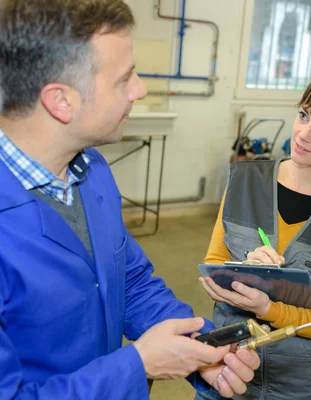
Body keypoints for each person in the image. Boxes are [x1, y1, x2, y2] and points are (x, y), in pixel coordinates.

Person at [0, 1, 259, 399]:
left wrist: (201, 346)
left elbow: (128, 281)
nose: (139, 89)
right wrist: (139, 365)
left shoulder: (92, 171)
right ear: (61, 101)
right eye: (125, 78)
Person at [197, 73, 311, 400]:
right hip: (230, 371)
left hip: (305, 385)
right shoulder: (243, 181)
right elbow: (211, 269)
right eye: (303, 115)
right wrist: (240, 270)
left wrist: (272, 310)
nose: (303, 134)